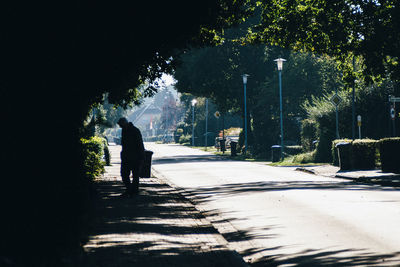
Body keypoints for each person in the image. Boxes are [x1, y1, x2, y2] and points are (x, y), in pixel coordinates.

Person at [117, 117, 145, 196]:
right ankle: (129, 190)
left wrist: (142, 157)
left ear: (125, 123)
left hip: (135, 157)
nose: (120, 127)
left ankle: (134, 191)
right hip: (126, 157)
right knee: (124, 174)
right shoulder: (124, 130)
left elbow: (140, 144)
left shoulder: (135, 130)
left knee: (135, 175)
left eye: (121, 125)